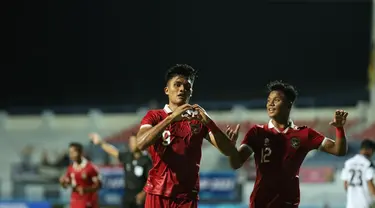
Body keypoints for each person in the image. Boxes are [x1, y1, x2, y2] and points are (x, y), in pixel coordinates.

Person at [226, 80, 349, 208]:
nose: (271, 104)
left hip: (288, 204)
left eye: (276, 100)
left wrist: (339, 128)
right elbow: (236, 163)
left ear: (289, 105)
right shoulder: (257, 132)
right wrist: (231, 148)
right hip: (260, 203)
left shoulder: (305, 134)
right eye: (268, 100)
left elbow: (339, 150)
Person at [136, 64, 236, 208]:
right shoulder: (154, 116)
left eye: (187, 86)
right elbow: (140, 143)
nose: (182, 89)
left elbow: (227, 151)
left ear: (191, 92)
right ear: (166, 90)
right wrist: (171, 118)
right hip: (157, 194)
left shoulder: (199, 120)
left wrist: (210, 123)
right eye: (177, 85)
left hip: (187, 197)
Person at [89, 133, 152, 208]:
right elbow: (113, 151)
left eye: (133, 142)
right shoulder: (127, 156)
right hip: (127, 194)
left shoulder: (146, 160)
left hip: (140, 195)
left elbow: (150, 179)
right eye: (130, 142)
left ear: (139, 142)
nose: (131, 144)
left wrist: (143, 194)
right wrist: (101, 143)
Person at [59, 142, 101, 208]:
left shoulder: (90, 167)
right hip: (75, 201)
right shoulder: (70, 168)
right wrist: (62, 183)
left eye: (73, 152)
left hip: (88, 201)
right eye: (70, 153)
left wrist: (86, 190)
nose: (71, 155)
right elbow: (67, 185)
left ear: (81, 153)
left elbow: (98, 185)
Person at [341, 139, 375, 208]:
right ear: (370, 150)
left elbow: (345, 185)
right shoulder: (368, 164)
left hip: (350, 205)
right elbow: (370, 183)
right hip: (364, 204)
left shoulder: (348, 163)